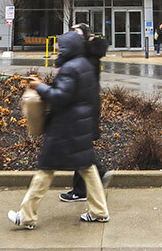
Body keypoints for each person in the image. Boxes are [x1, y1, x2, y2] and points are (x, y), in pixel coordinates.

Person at [8, 30, 109, 229]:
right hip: (79, 126)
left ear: (67, 48)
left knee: (45, 170)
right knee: (88, 168)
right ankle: (99, 212)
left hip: (64, 128)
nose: (56, 52)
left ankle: (26, 216)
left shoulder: (70, 68)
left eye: (59, 48)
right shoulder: (85, 64)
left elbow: (61, 96)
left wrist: (39, 87)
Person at [60, 23, 108, 203]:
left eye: (78, 33)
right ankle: (92, 178)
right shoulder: (86, 54)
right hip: (85, 107)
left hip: (85, 108)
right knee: (81, 148)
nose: (74, 37)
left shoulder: (88, 56)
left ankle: (81, 190)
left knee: (80, 149)